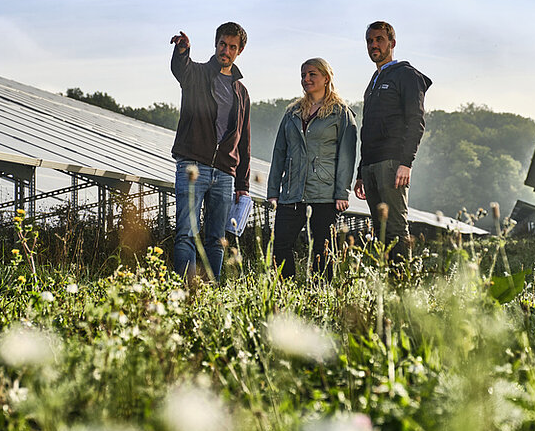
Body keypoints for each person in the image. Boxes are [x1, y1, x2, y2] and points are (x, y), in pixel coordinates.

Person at [169, 22, 251, 281]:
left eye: (232, 47)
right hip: (193, 165)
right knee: (186, 233)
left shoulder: (241, 92)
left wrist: (243, 184)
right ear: (216, 44)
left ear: (239, 51)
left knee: (217, 240)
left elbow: (243, 140)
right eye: (222, 44)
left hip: (225, 173)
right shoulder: (197, 73)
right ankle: (187, 292)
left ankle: (210, 293)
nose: (226, 50)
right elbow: (179, 68)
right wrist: (182, 51)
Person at [267, 58, 357, 279]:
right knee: (280, 246)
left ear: (326, 78)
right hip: (292, 192)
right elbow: (279, 152)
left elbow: (347, 156)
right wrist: (273, 191)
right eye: (303, 75)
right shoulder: (292, 113)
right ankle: (285, 291)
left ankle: (320, 295)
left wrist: (342, 192)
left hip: (324, 193)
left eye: (312, 74)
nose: (306, 79)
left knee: (323, 251)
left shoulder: (341, 113)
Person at [353, 21, 432, 261]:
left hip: (392, 164)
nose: (373, 45)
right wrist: (360, 171)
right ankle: (386, 289)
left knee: (396, 229)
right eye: (369, 41)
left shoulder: (406, 75)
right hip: (370, 167)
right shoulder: (373, 82)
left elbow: (416, 120)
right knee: (380, 232)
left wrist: (406, 162)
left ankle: (402, 287)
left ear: (392, 43)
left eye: (379, 39)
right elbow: (368, 129)